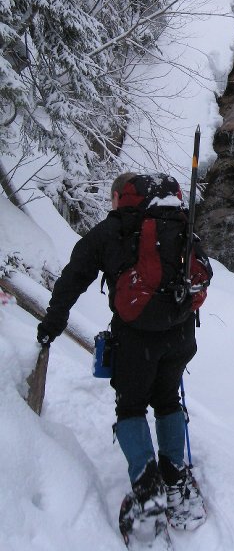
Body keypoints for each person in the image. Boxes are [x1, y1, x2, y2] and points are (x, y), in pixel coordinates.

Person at [37, 171, 212, 540]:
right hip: (180, 334)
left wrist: (53, 323)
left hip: (135, 340)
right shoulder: (177, 223)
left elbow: (73, 278)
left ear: (119, 197)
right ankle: (175, 479)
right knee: (167, 399)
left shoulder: (111, 230)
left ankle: (147, 490)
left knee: (131, 407)